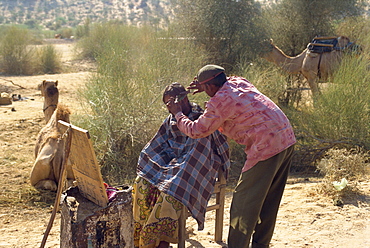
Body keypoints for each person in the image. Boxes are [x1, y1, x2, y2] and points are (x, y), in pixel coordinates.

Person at [166, 65, 296, 248]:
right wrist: (205, 85)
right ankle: (261, 245)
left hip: (267, 146)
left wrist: (177, 113)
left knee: (243, 205)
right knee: (269, 201)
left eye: (206, 87)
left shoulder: (219, 102)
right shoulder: (238, 82)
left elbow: (196, 130)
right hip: (286, 137)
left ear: (210, 87)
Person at [133, 82, 230, 248]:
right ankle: (143, 238)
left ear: (183, 99)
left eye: (172, 102)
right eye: (166, 104)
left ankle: (161, 241)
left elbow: (198, 154)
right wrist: (159, 168)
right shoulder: (170, 120)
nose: (169, 107)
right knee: (141, 182)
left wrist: (174, 171)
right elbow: (158, 146)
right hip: (174, 166)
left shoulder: (202, 118)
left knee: (172, 191)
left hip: (199, 167)